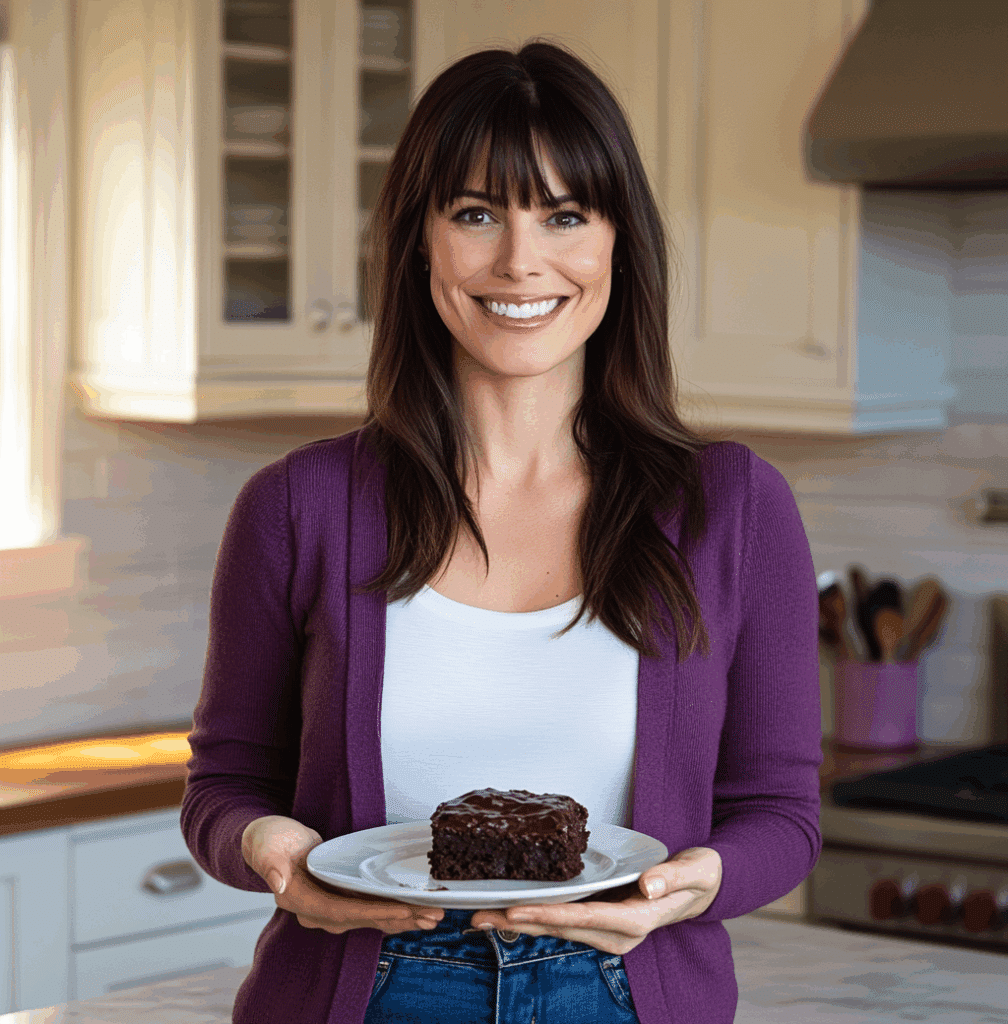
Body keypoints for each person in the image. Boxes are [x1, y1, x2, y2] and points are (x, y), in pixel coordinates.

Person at [181, 38, 822, 1024]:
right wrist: (266, 850)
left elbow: (782, 813)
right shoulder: (299, 505)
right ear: (420, 241)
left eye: (565, 214)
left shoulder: (731, 506)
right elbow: (226, 786)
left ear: (617, 241)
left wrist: (699, 880)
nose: (521, 260)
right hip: (365, 989)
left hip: (627, 992)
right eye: (476, 213)